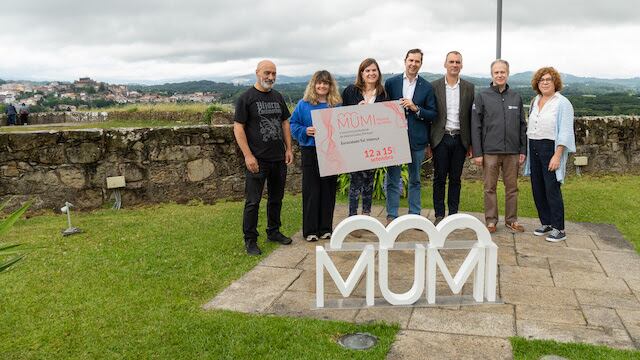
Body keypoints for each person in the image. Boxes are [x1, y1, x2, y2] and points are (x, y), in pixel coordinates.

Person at [233, 60, 294, 256]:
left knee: (276, 198)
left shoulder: (277, 97)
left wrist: (289, 148)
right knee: (253, 202)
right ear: (257, 72)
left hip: (278, 158)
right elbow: (238, 127)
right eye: (267, 73)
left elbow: (285, 122)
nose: (271, 77)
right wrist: (248, 155)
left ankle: (273, 232)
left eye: (274, 73)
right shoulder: (246, 98)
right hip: (257, 160)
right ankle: (250, 240)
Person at [471, 59, 527, 233]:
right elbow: (476, 125)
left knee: (512, 188)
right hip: (490, 151)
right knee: (490, 188)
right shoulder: (482, 96)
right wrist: (478, 153)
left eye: (503, 72)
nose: (500, 75)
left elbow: (522, 125)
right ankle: (491, 221)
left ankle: (511, 220)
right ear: (492, 75)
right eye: (497, 72)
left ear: (508, 73)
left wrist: (522, 150)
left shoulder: (516, 97)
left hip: (512, 151)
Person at [385, 49, 437, 223]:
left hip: (417, 140)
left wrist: (416, 109)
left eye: (417, 61)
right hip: (394, 139)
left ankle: (414, 215)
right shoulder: (391, 83)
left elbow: (432, 114)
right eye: (411, 60)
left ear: (421, 64)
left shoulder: (427, 87)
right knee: (393, 179)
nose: (413, 64)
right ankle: (392, 215)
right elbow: (382, 109)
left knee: (415, 179)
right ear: (405, 61)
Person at [524, 67, 576, 242]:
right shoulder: (535, 100)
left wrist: (557, 154)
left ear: (555, 82)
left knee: (551, 188)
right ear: (537, 83)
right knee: (537, 187)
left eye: (548, 80)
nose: (545, 82)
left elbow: (566, 131)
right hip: (534, 147)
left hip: (551, 148)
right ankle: (546, 223)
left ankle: (559, 228)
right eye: (541, 80)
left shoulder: (562, 103)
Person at [289, 70, 342, 242]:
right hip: (310, 151)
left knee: (328, 190)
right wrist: (305, 130)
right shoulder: (303, 104)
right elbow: (293, 124)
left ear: (330, 85)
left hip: (331, 152)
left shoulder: (336, 105)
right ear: (313, 84)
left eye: (326, 83)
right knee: (312, 190)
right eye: (319, 83)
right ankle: (310, 230)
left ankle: (325, 228)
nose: (322, 86)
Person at [430, 51, 475, 225]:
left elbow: (471, 117)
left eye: (458, 62)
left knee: (456, 179)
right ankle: (439, 215)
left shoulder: (469, 87)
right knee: (439, 178)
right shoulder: (434, 86)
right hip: (440, 138)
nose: (454, 65)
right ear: (445, 64)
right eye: (451, 61)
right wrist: (429, 142)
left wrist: (470, 143)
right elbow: (431, 116)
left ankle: (454, 214)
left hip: (460, 139)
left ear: (461, 65)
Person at [342, 58, 389, 220]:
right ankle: (352, 217)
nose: (371, 73)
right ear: (361, 74)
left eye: (374, 70)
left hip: (374, 145)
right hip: (355, 145)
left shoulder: (384, 93)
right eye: (367, 70)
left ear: (378, 73)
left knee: (369, 181)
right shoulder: (350, 91)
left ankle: (367, 217)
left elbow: (388, 119)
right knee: (355, 181)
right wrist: (356, 110)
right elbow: (341, 116)